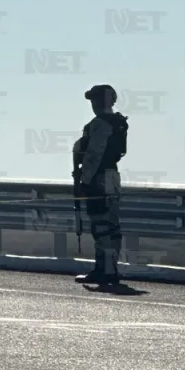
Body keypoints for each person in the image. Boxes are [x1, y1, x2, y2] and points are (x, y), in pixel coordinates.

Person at [73, 84, 129, 289]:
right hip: (112, 176)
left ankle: (104, 271)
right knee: (112, 226)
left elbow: (93, 155)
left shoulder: (99, 124)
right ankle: (109, 269)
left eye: (94, 100)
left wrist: (84, 181)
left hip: (99, 178)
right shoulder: (118, 122)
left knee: (101, 225)